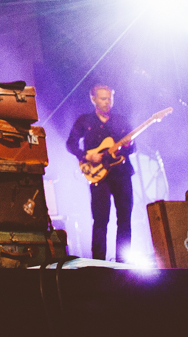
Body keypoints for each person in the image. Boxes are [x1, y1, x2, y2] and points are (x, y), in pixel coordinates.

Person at [66, 83, 136, 262]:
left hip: (121, 174)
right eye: (103, 99)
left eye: (110, 99)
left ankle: (123, 262)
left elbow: (133, 147)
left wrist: (128, 146)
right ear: (93, 99)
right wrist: (86, 155)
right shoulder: (85, 121)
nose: (107, 103)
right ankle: (98, 263)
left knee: (125, 220)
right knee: (100, 220)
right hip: (98, 176)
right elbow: (70, 144)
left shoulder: (121, 120)